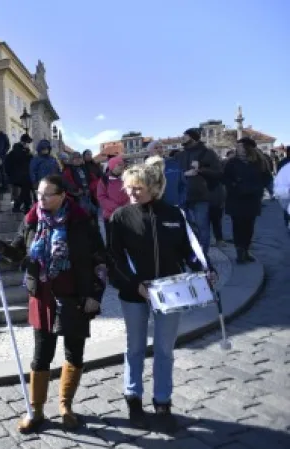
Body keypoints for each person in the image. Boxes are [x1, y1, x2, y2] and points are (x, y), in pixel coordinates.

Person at [108, 157, 215, 432]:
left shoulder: (174, 214)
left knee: (165, 350)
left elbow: (190, 250)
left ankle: (163, 402)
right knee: (134, 349)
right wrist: (134, 285)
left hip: (171, 292)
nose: (131, 194)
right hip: (136, 294)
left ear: (154, 188)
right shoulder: (120, 217)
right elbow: (114, 259)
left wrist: (205, 269)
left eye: (138, 189)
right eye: (129, 188)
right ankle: (133, 399)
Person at [0, 174, 105, 432]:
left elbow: (100, 258)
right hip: (43, 297)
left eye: (47, 194)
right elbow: (16, 252)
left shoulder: (81, 220)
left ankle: (66, 406)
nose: (41, 199)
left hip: (75, 297)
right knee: (41, 355)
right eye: (38, 194)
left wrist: (94, 294)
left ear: (62, 195)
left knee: (74, 353)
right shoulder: (32, 220)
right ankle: (36, 411)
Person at [223, 137, 273, 263]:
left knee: (249, 226)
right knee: (238, 226)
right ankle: (239, 252)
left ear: (248, 148)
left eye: (241, 146)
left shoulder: (259, 162)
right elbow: (224, 178)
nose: (238, 148)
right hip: (236, 198)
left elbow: (267, 177)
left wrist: (262, 189)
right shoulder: (232, 162)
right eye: (237, 146)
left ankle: (246, 250)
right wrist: (234, 186)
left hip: (252, 199)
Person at [174, 128, 223, 254]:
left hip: (201, 197)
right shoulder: (179, 155)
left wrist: (200, 169)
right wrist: (184, 174)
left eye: (185, 136)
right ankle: (189, 253)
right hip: (183, 197)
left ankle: (202, 256)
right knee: (186, 228)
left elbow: (218, 173)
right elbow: (175, 175)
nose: (182, 138)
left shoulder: (208, 153)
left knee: (202, 228)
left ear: (193, 138)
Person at [97, 156, 128, 245]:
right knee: (113, 242)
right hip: (111, 216)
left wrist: (126, 207)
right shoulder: (104, 180)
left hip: (126, 215)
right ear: (112, 166)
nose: (122, 166)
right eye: (119, 165)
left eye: (123, 164)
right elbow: (101, 197)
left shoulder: (127, 177)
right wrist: (117, 208)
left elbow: (131, 194)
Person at [147, 142, 186, 209]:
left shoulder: (173, 163)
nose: (159, 150)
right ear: (149, 152)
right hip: (156, 208)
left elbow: (183, 184)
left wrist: (181, 200)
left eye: (161, 147)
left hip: (176, 205)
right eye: (156, 148)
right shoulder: (145, 169)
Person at [62, 152, 99, 217]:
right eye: (75, 158)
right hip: (77, 196)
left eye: (79, 158)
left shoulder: (85, 168)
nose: (77, 160)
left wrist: (90, 188)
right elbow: (66, 183)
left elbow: (94, 180)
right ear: (71, 160)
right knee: (82, 213)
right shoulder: (67, 170)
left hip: (88, 194)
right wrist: (76, 189)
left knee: (93, 212)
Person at [5, 134, 34, 212]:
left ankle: (27, 206)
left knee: (26, 190)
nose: (29, 145)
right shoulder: (22, 152)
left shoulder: (16, 151)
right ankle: (17, 206)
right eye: (28, 143)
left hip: (19, 176)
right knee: (26, 189)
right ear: (23, 142)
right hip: (21, 176)